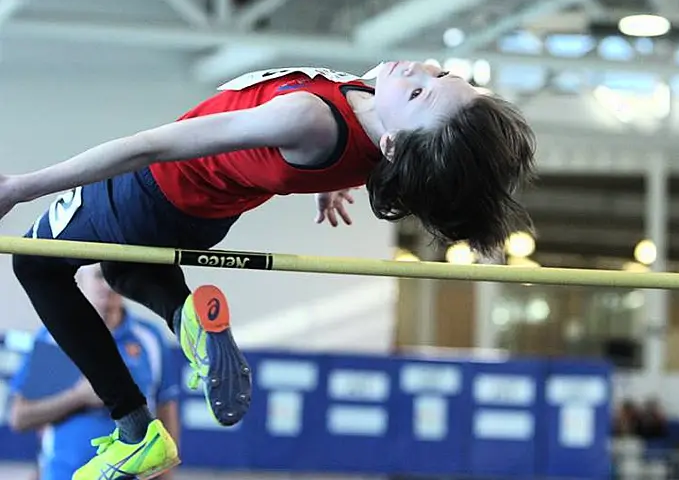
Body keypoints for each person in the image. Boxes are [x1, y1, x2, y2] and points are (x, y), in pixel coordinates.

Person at [0, 61, 537, 479]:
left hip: (152, 192)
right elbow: (376, 124)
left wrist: (20, 187)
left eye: (422, 91)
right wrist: (335, 176)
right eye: (441, 73)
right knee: (120, 270)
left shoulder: (305, 120)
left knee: (35, 265)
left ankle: (134, 427)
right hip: (201, 217)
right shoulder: (384, 119)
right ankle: (186, 315)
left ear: (394, 145)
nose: (417, 70)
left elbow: (151, 146)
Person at [7, 264, 180, 480]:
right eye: (100, 276)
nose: (108, 286)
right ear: (78, 279)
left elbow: (166, 413)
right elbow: (20, 416)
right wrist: (78, 397)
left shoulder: (149, 339)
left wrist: (165, 474)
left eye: (114, 275)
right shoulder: (54, 338)